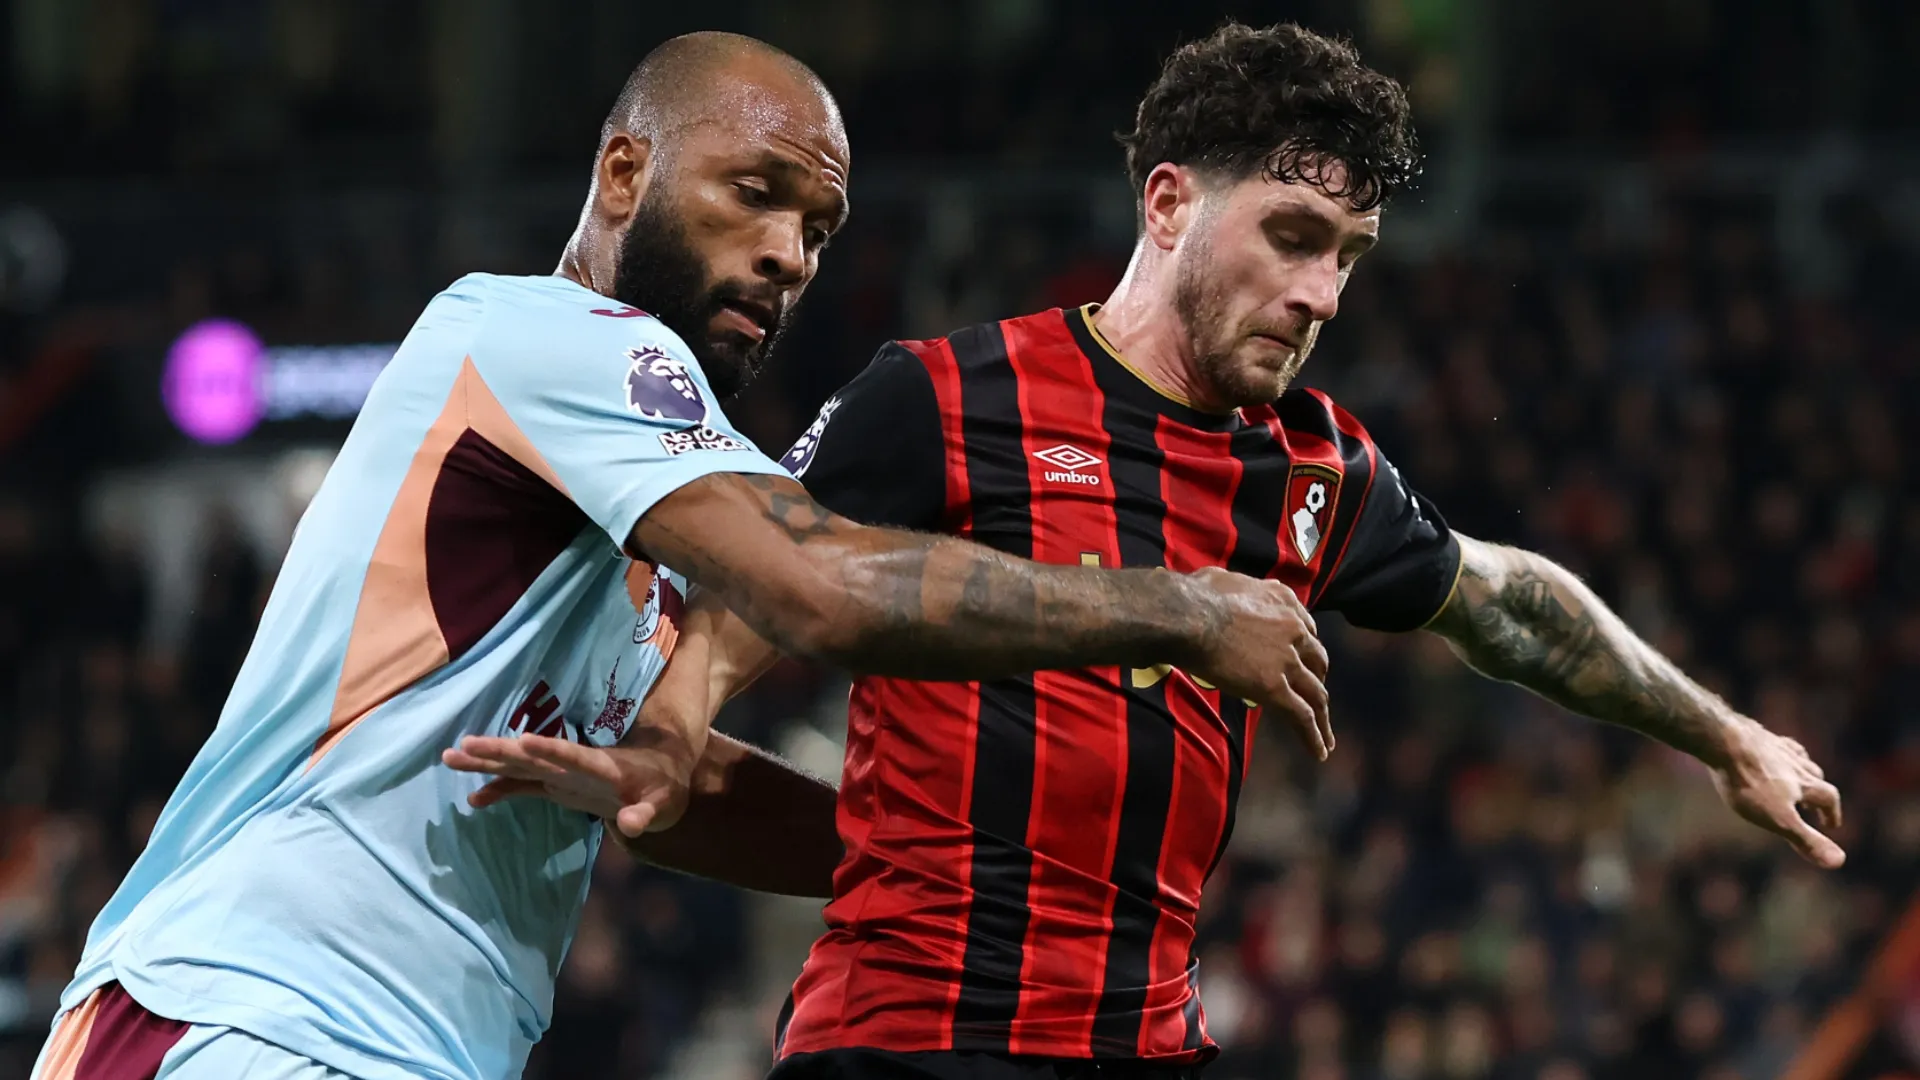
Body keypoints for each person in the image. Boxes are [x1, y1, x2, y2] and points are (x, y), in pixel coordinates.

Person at [450, 21, 1847, 1080]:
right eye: (1293, 235)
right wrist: (677, 723)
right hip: (907, 1035)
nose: (1318, 292)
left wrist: (1723, 734)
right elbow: (762, 597)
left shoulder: (1315, 469)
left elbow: (1511, 606)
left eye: (1349, 253)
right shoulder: (945, 397)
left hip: (1147, 1042)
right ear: (1169, 205)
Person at [33, 32, 1335, 1080]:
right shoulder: (558, 337)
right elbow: (823, 586)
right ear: (620, 175)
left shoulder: (632, 510)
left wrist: (937, 869)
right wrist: (1179, 611)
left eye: (818, 233)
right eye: (753, 194)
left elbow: (671, 781)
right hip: (248, 1014)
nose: (786, 252)